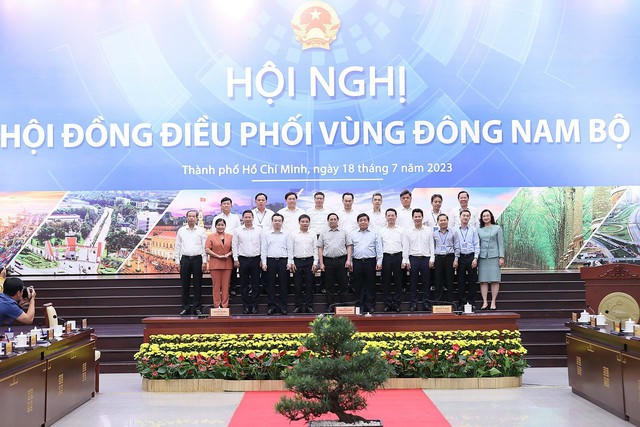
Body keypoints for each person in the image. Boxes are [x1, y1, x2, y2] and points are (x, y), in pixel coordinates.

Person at [317, 213, 353, 311]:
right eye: (331, 219)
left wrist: (348, 260)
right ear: (328, 221)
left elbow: (349, 246)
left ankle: (344, 307)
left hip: (342, 260)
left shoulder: (344, 232)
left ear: (338, 220)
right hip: (328, 261)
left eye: (334, 219)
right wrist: (321, 263)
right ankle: (331, 306)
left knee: (343, 284)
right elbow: (320, 248)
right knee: (329, 285)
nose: (333, 221)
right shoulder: (323, 233)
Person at [174, 210, 207, 315]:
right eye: (189, 216)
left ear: (196, 218)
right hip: (185, 260)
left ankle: (197, 308)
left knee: (198, 284)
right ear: (186, 218)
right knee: (185, 284)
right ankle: (186, 307)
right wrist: (177, 261)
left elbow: (204, 247)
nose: (191, 218)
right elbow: (177, 246)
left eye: (193, 216)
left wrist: (204, 261)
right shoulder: (181, 230)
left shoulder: (201, 231)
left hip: (198, 259)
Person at [349, 213, 383, 313]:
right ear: (358, 222)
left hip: (370, 261)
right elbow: (351, 249)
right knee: (358, 285)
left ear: (368, 222)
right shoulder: (353, 234)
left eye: (365, 220)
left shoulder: (374, 233)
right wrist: (350, 262)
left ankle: (370, 305)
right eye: (361, 220)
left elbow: (379, 248)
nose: (363, 222)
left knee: (370, 284)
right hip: (357, 262)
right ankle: (359, 306)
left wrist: (379, 261)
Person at [379, 208, 408, 312]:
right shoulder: (381, 230)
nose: (390, 217)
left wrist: (404, 260)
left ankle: (396, 304)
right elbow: (379, 247)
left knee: (398, 281)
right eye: (389, 215)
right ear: (386, 217)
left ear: (396, 217)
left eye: (392, 215)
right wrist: (379, 261)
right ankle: (387, 304)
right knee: (385, 282)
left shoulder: (401, 230)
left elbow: (405, 245)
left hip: (398, 256)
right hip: (385, 257)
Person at [405, 208, 435, 312]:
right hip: (413, 258)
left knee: (426, 282)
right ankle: (413, 303)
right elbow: (406, 247)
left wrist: (432, 258)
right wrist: (406, 260)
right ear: (412, 218)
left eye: (419, 216)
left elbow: (432, 245)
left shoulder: (428, 230)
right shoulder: (408, 231)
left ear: (422, 217)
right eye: (415, 217)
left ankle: (426, 303)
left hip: (426, 258)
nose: (417, 218)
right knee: (413, 282)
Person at [233, 210, 262, 314]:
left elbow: (262, 245)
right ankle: (245, 306)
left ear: (253, 218)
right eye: (246, 217)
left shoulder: (259, 230)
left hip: (256, 259)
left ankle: (254, 306)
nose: (248, 219)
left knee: (255, 284)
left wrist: (262, 259)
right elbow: (234, 245)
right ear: (243, 218)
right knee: (243, 284)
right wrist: (235, 259)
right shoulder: (238, 230)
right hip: (243, 259)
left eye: (250, 217)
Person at [261, 213, 290, 315]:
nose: (277, 222)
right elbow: (263, 249)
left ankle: (283, 306)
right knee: (270, 285)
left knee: (283, 284)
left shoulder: (287, 234)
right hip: (270, 261)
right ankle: (271, 306)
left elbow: (290, 248)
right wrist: (264, 262)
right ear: (272, 222)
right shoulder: (266, 234)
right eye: (275, 220)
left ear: (282, 222)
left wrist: (290, 262)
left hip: (283, 261)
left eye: (279, 220)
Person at [288, 214, 318, 313]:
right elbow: (290, 249)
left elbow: (315, 248)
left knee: (310, 284)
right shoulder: (293, 234)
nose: (305, 223)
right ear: (299, 222)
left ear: (309, 223)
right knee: (297, 285)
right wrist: (291, 261)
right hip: (297, 261)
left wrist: (315, 262)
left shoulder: (313, 234)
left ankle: (309, 306)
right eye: (303, 221)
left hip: (310, 261)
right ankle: (298, 306)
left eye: (306, 222)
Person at [478, 209, 505, 310]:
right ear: (482, 218)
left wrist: (501, 257)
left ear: (491, 217)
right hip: (482, 257)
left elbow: (501, 243)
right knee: (483, 281)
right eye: (484, 216)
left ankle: (493, 301)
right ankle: (485, 302)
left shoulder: (497, 228)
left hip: (494, 257)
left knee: (495, 280)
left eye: (487, 215)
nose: (486, 217)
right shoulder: (479, 229)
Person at [214, 196, 241, 296]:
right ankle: (221, 288)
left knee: (233, 268)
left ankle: (233, 287)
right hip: (220, 246)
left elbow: (238, 232)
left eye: (228, 204)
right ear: (221, 206)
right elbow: (213, 232)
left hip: (232, 245)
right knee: (221, 268)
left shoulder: (235, 217)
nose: (226, 205)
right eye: (224, 204)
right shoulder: (216, 218)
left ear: (231, 205)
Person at [205, 218, 233, 309]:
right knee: (216, 286)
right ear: (215, 226)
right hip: (215, 264)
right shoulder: (210, 236)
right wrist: (217, 256)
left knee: (226, 286)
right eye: (218, 225)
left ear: (225, 226)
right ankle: (217, 305)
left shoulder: (230, 236)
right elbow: (207, 249)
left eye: (222, 225)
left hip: (227, 264)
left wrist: (228, 254)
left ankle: (225, 306)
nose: (220, 227)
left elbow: (234, 248)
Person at [432, 213, 459, 304]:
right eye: (441, 220)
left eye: (444, 220)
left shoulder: (453, 232)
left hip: (449, 257)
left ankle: (450, 300)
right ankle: (438, 301)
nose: (443, 222)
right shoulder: (434, 233)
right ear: (438, 222)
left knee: (449, 279)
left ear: (447, 221)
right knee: (438, 279)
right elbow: (433, 247)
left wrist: (456, 259)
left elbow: (457, 246)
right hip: (438, 258)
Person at [455, 209, 479, 309]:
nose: (465, 217)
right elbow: (454, 245)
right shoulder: (455, 229)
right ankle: (461, 302)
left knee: (472, 280)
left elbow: (476, 244)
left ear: (469, 218)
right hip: (460, 257)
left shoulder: (473, 229)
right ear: (460, 217)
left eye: (467, 216)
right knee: (461, 280)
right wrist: (456, 259)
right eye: (463, 215)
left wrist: (475, 258)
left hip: (471, 257)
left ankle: (471, 302)